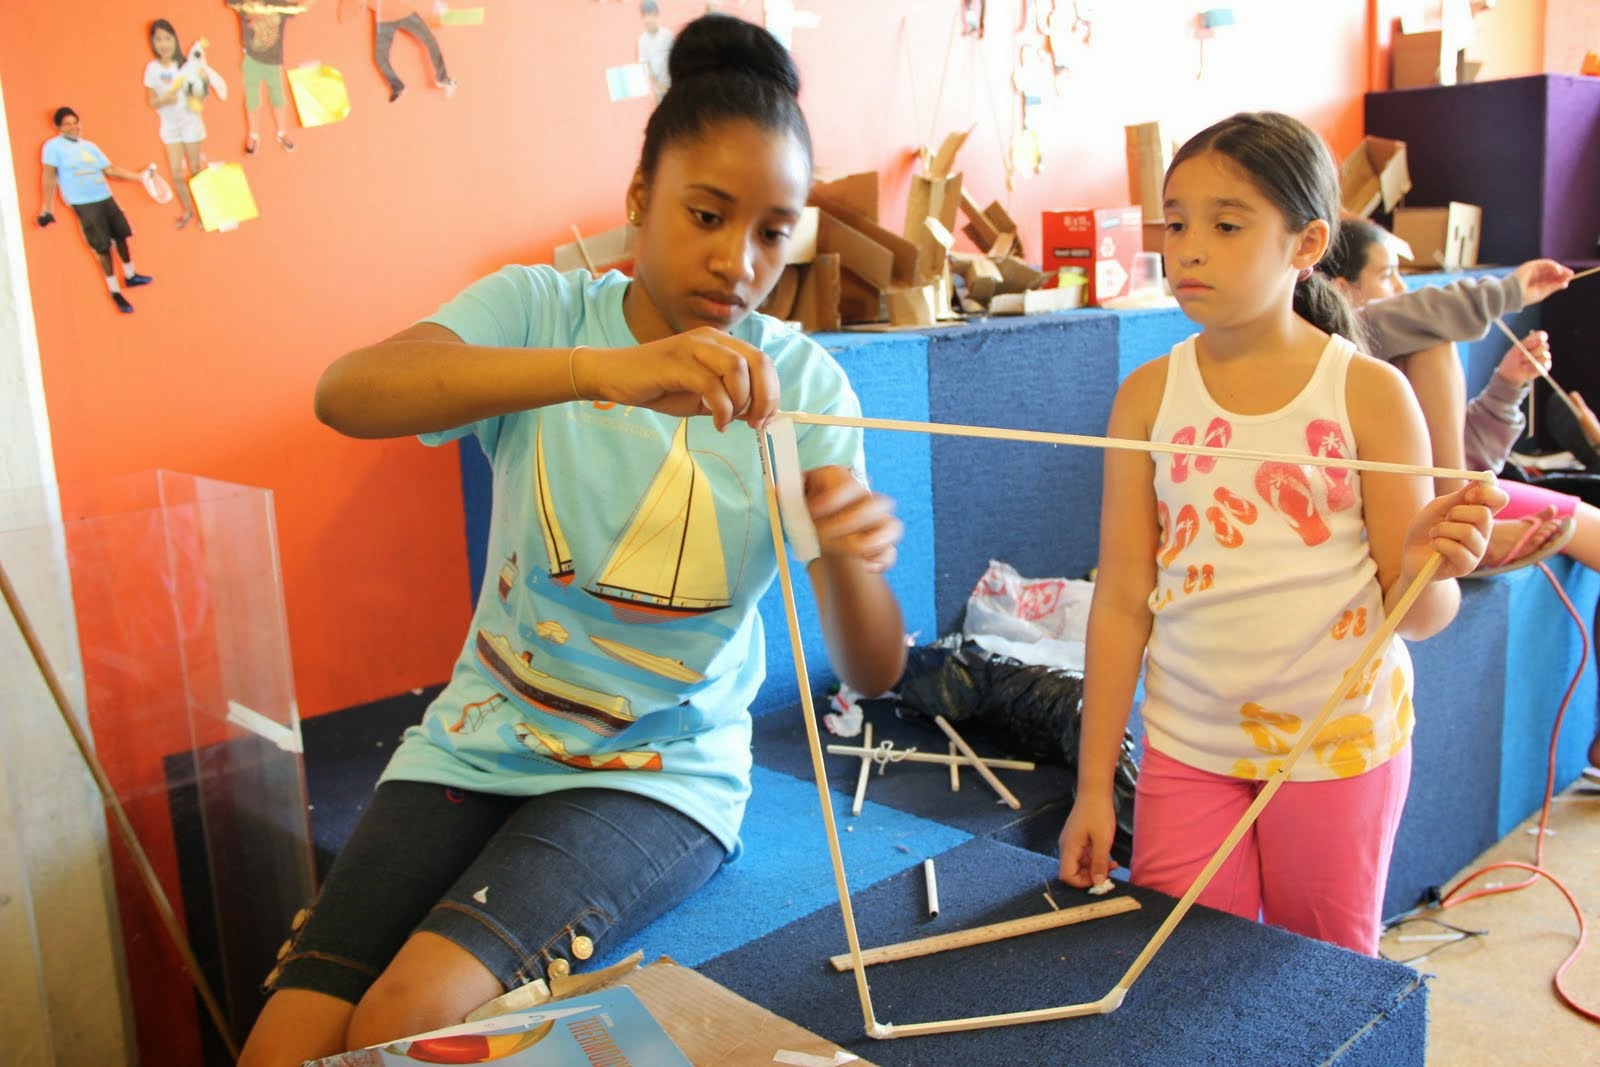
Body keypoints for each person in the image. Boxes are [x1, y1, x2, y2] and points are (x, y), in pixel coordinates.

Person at [239, 15, 907, 1066]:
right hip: (476, 735)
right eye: (705, 213)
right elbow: (346, 391)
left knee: (403, 1017)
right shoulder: (541, 309)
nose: (738, 261)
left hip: (659, 772)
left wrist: (853, 557)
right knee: (284, 1043)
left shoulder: (805, 386)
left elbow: (874, 668)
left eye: (774, 232)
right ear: (638, 199)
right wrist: (601, 372)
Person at [1057, 112, 1503, 957]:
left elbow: (1422, 613)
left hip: (1337, 748)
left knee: (1321, 980)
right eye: (1177, 222)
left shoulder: (1368, 395)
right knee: (1181, 975)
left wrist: (1426, 566)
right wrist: (1093, 785)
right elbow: (1120, 598)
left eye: (1226, 226)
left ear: (1306, 245)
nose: (1188, 248)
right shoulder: (1146, 399)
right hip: (1187, 743)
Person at [1322, 219, 1589, 575]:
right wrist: (1508, 292)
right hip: (1405, 510)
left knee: (1589, 526)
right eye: (1387, 275)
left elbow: (1472, 462)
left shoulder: (1404, 364)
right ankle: (1456, 526)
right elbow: (1397, 316)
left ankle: (1458, 520)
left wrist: (1507, 386)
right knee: (1432, 341)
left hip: (1453, 494)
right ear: (1343, 290)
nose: (1401, 286)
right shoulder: (1335, 349)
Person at [37, 107, 155, 314]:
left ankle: (130, 275)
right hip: (84, 202)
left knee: (121, 236)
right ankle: (115, 291)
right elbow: (49, 176)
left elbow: (110, 169)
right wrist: (47, 207)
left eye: (75, 122)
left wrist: (138, 177)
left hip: (105, 197)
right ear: (57, 127)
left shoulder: (90, 147)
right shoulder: (53, 147)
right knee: (102, 247)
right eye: (67, 124)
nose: (73, 127)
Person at [144, 18, 210, 229]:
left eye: (167, 38)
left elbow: (200, 95)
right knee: (176, 172)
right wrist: (168, 98)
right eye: (158, 39)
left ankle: (205, 212)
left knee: (195, 168)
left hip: (190, 123)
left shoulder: (187, 65)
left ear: (175, 40)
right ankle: (188, 210)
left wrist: (197, 88)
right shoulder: (152, 69)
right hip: (169, 126)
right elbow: (152, 100)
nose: (163, 44)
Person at [228, 0, 313, 154]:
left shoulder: (280, 5)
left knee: (278, 97)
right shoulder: (245, 4)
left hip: (273, 61)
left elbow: (302, 7)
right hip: (252, 59)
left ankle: (282, 132)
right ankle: (253, 134)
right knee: (252, 98)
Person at [639, 0, 674, 101]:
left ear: (657, 16)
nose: (648, 19)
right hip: (661, 91)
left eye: (651, 14)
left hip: (674, 84)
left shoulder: (667, 35)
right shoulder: (642, 40)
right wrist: (660, 88)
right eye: (645, 15)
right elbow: (645, 67)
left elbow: (676, 57)